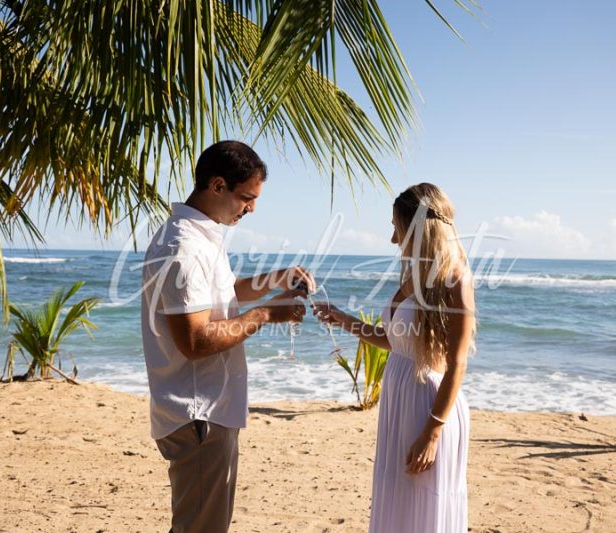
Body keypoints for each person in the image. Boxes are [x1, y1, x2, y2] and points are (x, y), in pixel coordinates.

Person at [141, 140, 315, 533]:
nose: (252, 208)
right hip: (198, 412)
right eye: (247, 198)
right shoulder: (183, 246)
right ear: (217, 185)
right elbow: (196, 341)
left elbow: (226, 293)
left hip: (206, 410)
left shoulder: (201, 235)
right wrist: (267, 313)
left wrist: (277, 279)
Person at [313, 183, 475, 533]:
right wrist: (342, 318)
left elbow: (457, 363)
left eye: (395, 227)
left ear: (418, 229)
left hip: (429, 407)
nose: (392, 239)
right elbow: (395, 341)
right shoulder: (413, 277)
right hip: (399, 400)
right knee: (400, 502)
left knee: (425, 505)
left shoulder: (455, 280)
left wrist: (432, 431)